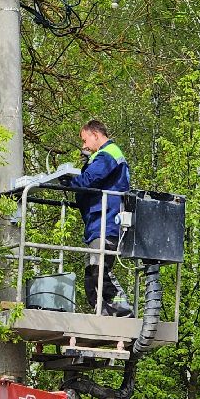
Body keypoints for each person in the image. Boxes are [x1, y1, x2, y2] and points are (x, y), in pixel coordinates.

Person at [63, 119, 133, 316]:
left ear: (95, 135)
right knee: (92, 272)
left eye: (85, 140)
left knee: (100, 270)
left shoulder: (108, 154)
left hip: (106, 221)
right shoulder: (102, 157)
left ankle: (123, 310)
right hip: (98, 222)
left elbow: (90, 181)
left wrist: (68, 181)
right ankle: (101, 313)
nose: (84, 146)